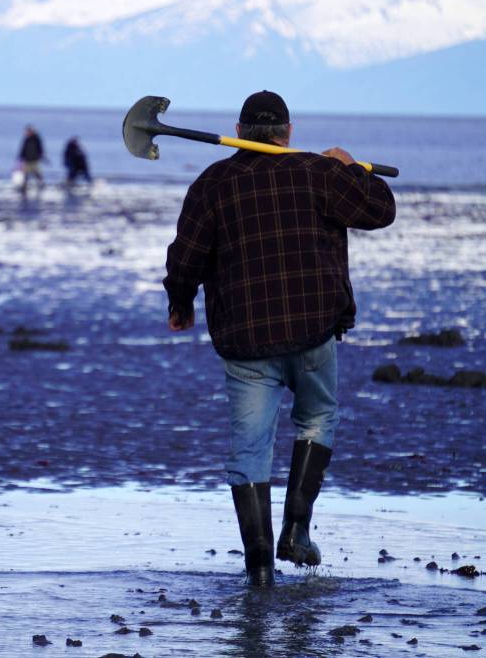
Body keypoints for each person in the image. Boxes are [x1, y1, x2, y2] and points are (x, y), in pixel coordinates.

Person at [163, 90, 396, 587]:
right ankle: (296, 529)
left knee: (249, 449)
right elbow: (381, 207)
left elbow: (185, 260)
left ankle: (261, 571)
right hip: (313, 330)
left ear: (241, 130)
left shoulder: (213, 185)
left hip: (245, 338)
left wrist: (179, 304)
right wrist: (352, 168)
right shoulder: (319, 172)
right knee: (317, 416)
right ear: (287, 132)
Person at [17, 125, 45, 193]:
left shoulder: (36, 139)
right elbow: (23, 148)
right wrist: (21, 156)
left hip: (34, 159)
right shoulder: (26, 139)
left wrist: (40, 155)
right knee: (25, 173)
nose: (27, 132)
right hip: (27, 159)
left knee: (36, 172)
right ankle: (24, 186)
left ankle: (41, 183)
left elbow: (40, 148)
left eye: (28, 131)